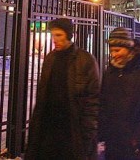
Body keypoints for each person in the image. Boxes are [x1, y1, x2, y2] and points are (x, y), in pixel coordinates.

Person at [25, 18, 100, 160]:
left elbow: (93, 100)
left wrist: (87, 132)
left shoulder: (85, 60)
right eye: (53, 35)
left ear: (68, 35)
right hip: (49, 129)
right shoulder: (50, 59)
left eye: (59, 35)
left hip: (72, 130)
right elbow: (42, 96)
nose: (54, 39)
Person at [98, 28, 140, 160]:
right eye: (111, 50)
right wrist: (103, 132)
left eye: (117, 50)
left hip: (137, 149)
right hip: (113, 145)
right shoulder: (110, 73)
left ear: (128, 48)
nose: (114, 54)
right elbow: (103, 104)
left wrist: (138, 137)